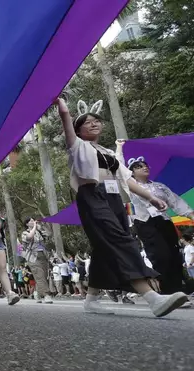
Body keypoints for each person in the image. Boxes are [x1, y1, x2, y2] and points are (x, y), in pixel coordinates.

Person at [55, 97, 187, 316]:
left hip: (114, 198)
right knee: (120, 240)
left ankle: (91, 299)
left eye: (97, 120)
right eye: (87, 122)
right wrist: (63, 109)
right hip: (92, 196)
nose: (94, 124)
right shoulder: (77, 146)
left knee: (103, 246)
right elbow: (66, 123)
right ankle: (152, 297)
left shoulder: (107, 152)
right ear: (78, 130)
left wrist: (151, 198)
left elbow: (128, 180)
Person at [123, 151, 194, 294]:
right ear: (131, 172)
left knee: (174, 254)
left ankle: (179, 288)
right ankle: (169, 290)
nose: (144, 167)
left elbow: (175, 200)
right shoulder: (127, 187)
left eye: (145, 165)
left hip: (164, 221)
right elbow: (126, 206)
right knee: (160, 256)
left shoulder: (160, 186)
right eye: (138, 166)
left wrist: (190, 214)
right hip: (145, 223)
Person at [21, 217, 53, 304]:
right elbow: (29, 237)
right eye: (31, 221)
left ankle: (38, 293)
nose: (33, 221)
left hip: (43, 254)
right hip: (32, 257)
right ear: (27, 224)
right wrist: (35, 226)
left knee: (44, 276)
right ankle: (47, 295)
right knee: (39, 275)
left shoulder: (39, 232)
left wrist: (44, 224)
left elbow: (49, 234)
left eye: (33, 220)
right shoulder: (25, 233)